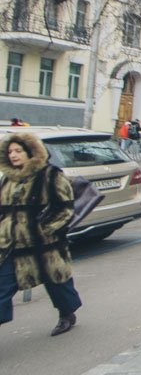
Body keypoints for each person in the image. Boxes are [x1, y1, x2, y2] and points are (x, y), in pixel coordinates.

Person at [0, 132, 83, 336]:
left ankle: (67, 314)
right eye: (10, 151)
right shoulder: (8, 178)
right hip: (11, 245)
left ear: (31, 152)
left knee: (57, 282)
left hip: (45, 244)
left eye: (19, 151)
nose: (14, 155)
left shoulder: (50, 174)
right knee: (2, 287)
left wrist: (46, 230)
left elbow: (65, 208)